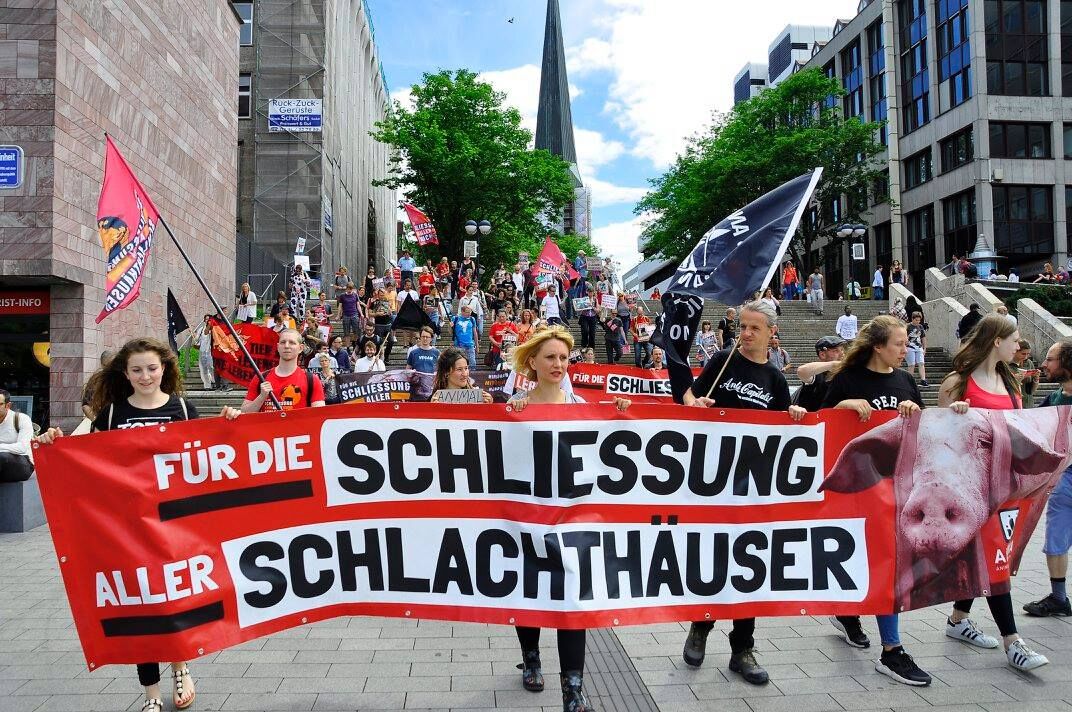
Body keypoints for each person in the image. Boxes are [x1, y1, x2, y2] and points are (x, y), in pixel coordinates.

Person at [41, 338, 241, 712]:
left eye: (151, 368)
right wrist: (52, 442)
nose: (146, 375)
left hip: (173, 526)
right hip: (128, 528)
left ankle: (181, 667)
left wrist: (228, 424)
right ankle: (150, 694)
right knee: (142, 606)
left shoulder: (183, 407)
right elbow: (77, 455)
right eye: (137, 369)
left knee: (173, 599)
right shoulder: (111, 415)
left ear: (164, 368)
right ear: (125, 373)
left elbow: (206, 457)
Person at [681, 301, 806, 685]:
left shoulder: (774, 378)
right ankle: (701, 626)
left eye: (754, 328)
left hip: (752, 488)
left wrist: (794, 418)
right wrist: (694, 403)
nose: (745, 334)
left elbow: (783, 433)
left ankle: (742, 648)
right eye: (743, 327)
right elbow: (687, 396)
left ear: (772, 333)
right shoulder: (721, 361)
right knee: (715, 558)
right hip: (713, 483)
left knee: (748, 564)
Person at [509, 328, 630, 712]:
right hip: (527, 520)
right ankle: (531, 659)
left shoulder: (581, 404)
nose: (559, 364)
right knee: (529, 594)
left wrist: (621, 414)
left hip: (571, 522)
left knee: (571, 603)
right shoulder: (514, 407)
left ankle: (573, 691)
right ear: (532, 362)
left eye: (563, 357)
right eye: (550, 357)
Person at [821, 315, 931, 686]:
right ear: (877, 346)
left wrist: (916, 413)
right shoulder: (847, 380)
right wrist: (844, 406)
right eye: (899, 343)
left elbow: (922, 433)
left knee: (889, 565)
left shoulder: (905, 381)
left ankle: (891, 648)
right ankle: (848, 611)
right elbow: (820, 429)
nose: (906, 349)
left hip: (896, 490)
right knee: (862, 560)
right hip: (856, 492)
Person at [935, 315, 1049, 670]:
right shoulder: (958, 383)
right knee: (995, 557)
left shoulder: (1010, 381)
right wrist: (956, 418)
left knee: (987, 555)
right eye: (1014, 338)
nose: (1019, 345)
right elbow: (937, 439)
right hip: (971, 486)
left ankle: (957, 619)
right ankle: (1013, 642)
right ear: (996, 340)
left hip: (1007, 485)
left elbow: (1021, 429)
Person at [1023, 339, 1072, 617]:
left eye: (1051, 359)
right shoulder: (1054, 398)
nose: (1044, 364)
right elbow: (1031, 426)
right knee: (1055, 539)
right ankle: (1059, 598)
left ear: (1067, 362)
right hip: (1064, 481)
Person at [241, 329, 326, 412]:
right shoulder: (260, 378)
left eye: (292, 343)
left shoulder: (312, 380)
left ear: (300, 348)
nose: (286, 346)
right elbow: (245, 412)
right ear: (278, 347)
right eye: (283, 342)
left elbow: (319, 417)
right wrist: (262, 397)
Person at [792, 336, 847, 424]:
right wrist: (833, 365)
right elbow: (802, 371)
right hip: (812, 424)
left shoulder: (844, 376)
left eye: (842, 350)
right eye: (836, 351)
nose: (842, 354)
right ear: (822, 354)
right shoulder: (817, 375)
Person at [429, 347, 494, 403]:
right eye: (459, 369)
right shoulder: (435, 398)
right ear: (446, 372)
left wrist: (488, 407)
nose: (465, 374)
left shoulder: (478, 397)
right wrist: (432, 409)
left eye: (466, 368)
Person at [0, 390, 34, 483]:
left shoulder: (21, 419)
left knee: (1, 457)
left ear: (8, 406)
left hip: (23, 463)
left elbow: (22, 447)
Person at [1009, 339, 1039, 408]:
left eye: (1028, 354)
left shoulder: (1029, 363)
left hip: (1027, 403)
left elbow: (1032, 390)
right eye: (1023, 354)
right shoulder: (1006, 363)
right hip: (1012, 402)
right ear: (1015, 351)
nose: (1026, 357)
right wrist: (1014, 379)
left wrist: (1036, 379)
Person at [905, 311, 929, 386]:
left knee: (921, 363)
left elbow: (923, 337)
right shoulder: (908, 326)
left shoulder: (920, 327)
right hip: (910, 347)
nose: (917, 322)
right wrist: (906, 342)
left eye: (919, 320)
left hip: (918, 346)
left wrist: (924, 348)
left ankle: (923, 379)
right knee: (911, 364)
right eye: (916, 320)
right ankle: (910, 380)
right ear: (912, 319)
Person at [452, 303, 479, 368]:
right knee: (459, 364)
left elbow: (475, 333)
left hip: (470, 345)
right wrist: (450, 326)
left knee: (472, 363)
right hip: (459, 345)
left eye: (470, 312)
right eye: (467, 312)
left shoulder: (472, 319)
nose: (469, 314)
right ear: (462, 312)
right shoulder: (455, 319)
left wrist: (477, 346)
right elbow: (451, 332)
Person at [194, 315, 217, 391]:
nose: (207, 321)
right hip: (203, 351)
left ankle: (214, 382)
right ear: (204, 321)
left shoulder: (214, 329)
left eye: (209, 319)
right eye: (206, 319)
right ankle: (207, 385)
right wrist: (194, 335)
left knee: (211, 367)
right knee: (203, 368)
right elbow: (197, 339)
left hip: (211, 352)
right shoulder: (201, 329)